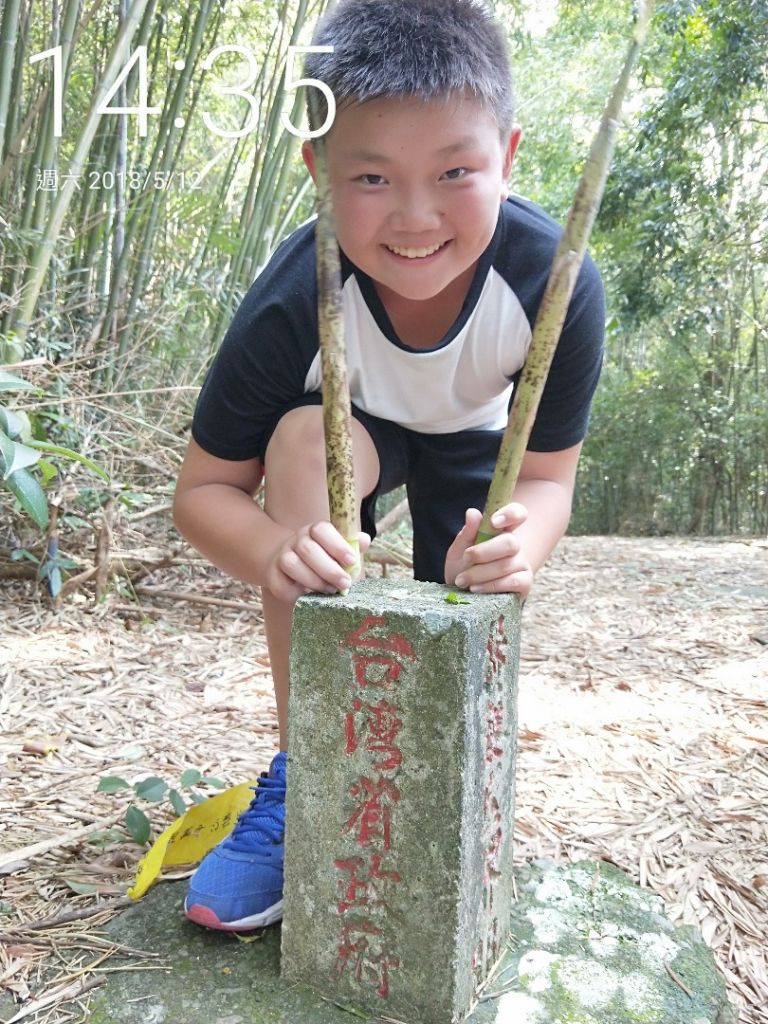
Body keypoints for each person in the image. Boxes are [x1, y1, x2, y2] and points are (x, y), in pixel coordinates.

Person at [173, 0, 604, 931]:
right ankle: (309, 770)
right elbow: (204, 493)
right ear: (317, 170)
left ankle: (453, 794)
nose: (415, 216)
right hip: (347, 434)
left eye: (455, 171)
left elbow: (550, 479)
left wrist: (524, 539)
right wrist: (278, 556)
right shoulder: (294, 298)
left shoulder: (554, 283)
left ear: (510, 157)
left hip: (482, 447)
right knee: (297, 450)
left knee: (478, 576)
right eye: (371, 176)